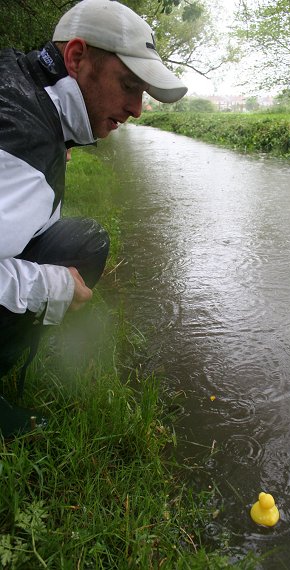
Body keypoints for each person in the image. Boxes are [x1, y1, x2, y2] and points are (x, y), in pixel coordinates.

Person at [0, 0, 187, 437]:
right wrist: (54, 286)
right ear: (77, 57)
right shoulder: (20, 143)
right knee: (70, 266)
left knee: (85, 240)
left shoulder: (24, 92)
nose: (138, 108)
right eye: (129, 85)